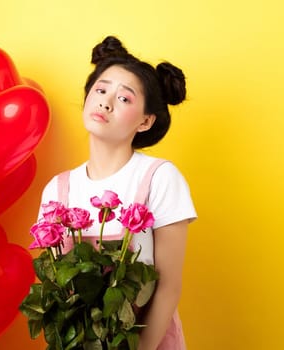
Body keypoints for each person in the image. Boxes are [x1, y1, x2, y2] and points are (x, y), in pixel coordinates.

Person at [37, 35, 196, 350]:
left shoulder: (159, 178)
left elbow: (167, 288)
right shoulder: (57, 189)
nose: (105, 102)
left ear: (145, 121)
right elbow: (57, 290)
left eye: (124, 98)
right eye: (100, 89)